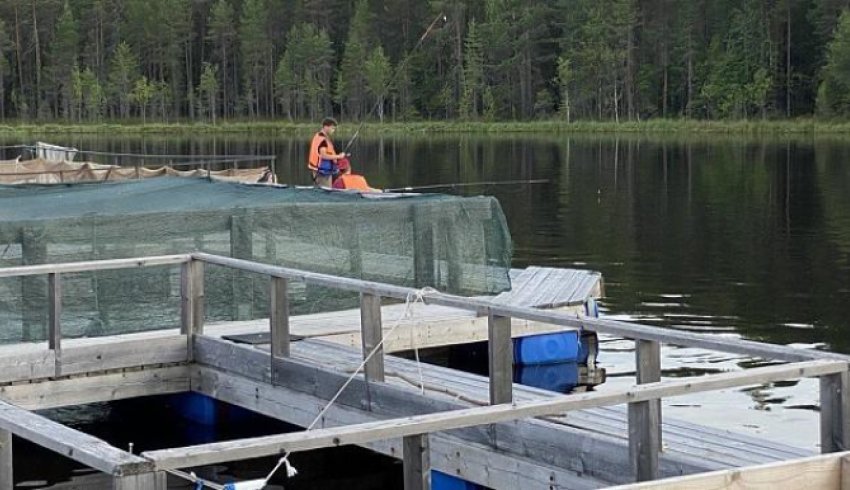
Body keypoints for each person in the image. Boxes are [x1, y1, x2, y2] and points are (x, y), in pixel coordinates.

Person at [307, 117, 348, 187]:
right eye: (332, 128)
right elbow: (323, 155)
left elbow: (327, 153)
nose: (333, 130)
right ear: (326, 127)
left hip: (320, 171)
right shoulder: (322, 140)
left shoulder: (319, 136)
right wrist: (339, 156)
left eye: (334, 128)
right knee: (325, 193)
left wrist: (337, 157)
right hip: (322, 173)